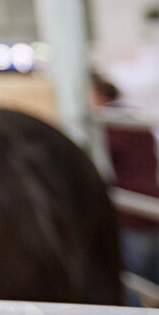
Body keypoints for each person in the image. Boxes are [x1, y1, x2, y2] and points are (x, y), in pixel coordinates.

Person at [93, 74, 159, 305]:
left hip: (129, 217)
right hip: (150, 207)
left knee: (131, 285)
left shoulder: (104, 126)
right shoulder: (135, 121)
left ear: (97, 95)